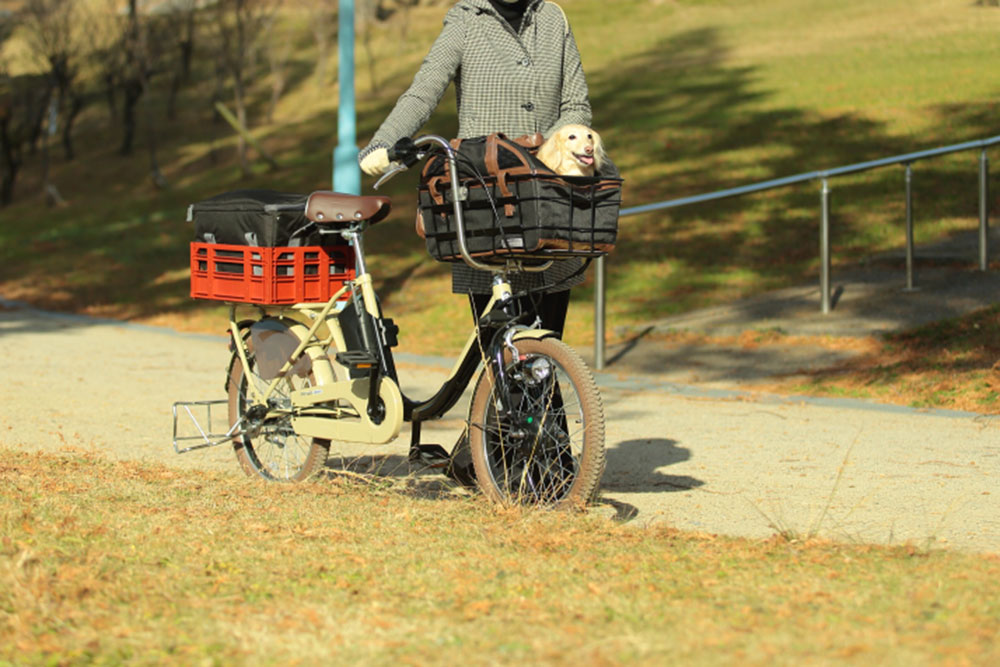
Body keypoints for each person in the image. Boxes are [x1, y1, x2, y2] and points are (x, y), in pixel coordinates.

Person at [358, 0, 594, 481]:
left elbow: (576, 103)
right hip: (485, 202)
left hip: (547, 200)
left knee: (544, 346)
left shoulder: (552, 18)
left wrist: (562, 150)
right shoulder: (466, 19)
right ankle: (513, 464)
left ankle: (539, 458)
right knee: (502, 346)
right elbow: (424, 91)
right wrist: (385, 146)